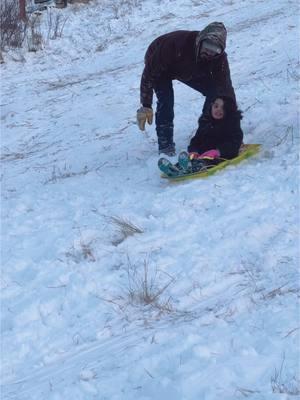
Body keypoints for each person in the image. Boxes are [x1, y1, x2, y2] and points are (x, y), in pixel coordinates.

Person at [136, 21, 236, 156]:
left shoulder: (218, 58)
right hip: (163, 64)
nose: (209, 52)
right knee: (166, 100)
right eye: (207, 46)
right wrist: (146, 104)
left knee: (216, 93)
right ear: (200, 41)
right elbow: (149, 73)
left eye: (215, 50)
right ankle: (165, 147)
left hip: (188, 68)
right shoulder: (174, 45)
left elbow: (225, 87)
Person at [188, 96, 243, 161]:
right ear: (212, 106)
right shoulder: (205, 121)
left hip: (222, 155)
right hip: (202, 154)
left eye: (223, 108)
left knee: (208, 161)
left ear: (228, 110)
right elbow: (196, 139)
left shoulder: (231, 123)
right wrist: (193, 150)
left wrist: (218, 151)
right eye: (216, 106)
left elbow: (234, 144)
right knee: (192, 159)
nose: (218, 110)